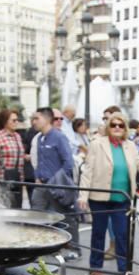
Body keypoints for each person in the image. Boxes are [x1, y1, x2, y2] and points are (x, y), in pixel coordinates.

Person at [77, 111, 139, 275]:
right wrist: (83, 195)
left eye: (121, 125)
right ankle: (95, 267)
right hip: (99, 197)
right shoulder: (97, 144)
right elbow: (87, 171)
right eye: (113, 125)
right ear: (108, 127)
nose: (117, 128)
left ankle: (124, 268)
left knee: (122, 234)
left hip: (123, 198)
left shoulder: (130, 145)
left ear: (125, 128)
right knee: (98, 233)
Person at [31, 106, 79, 255]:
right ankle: (42, 247)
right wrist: (38, 176)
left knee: (65, 217)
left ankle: (73, 249)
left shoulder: (59, 137)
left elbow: (68, 163)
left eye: (36, 118)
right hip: (42, 184)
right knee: (37, 215)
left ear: (46, 119)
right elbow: (40, 161)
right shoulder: (39, 138)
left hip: (57, 185)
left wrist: (57, 180)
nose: (33, 122)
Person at [0, 108, 26, 208]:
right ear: (5, 121)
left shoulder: (17, 136)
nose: (16, 123)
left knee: (17, 207)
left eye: (17, 120)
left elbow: (20, 158)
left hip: (17, 178)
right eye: (13, 120)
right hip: (3, 178)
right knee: (5, 206)